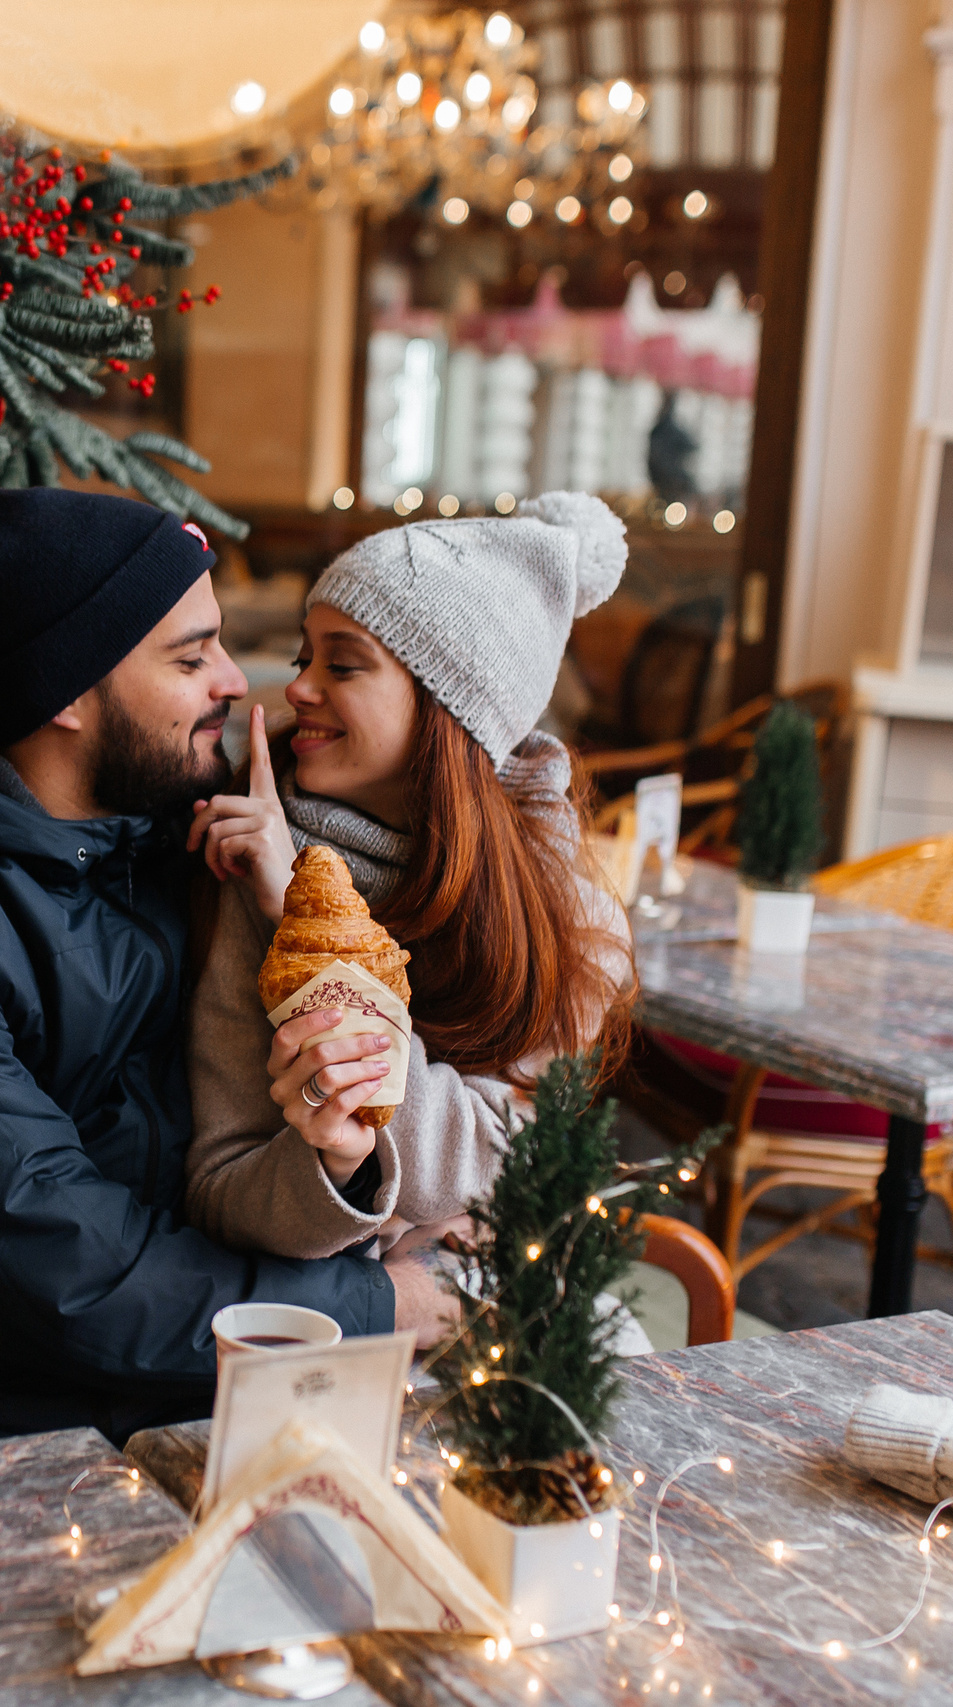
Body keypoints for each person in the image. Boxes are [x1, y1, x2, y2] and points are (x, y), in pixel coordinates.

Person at [0, 482, 464, 1471]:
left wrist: (285, 898)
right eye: (190, 657)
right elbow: (69, 1277)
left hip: (137, 1392)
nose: (234, 682)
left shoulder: (168, 844)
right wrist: (379, 1305)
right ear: (63, 693)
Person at [185, 493, 636, 1264]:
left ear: (451, 708)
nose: (298, 688)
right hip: (310, 1314)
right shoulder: (250, 861)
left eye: (342, 664)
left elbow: (497, 1159)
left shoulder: (566, 908)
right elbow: (220, 1186)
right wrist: (340, 1171)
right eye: (303, 659)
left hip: (497, 1298)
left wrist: (302, 916)